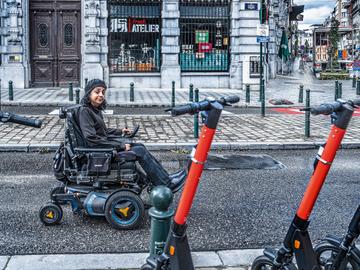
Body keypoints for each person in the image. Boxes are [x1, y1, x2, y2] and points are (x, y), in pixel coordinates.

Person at [78, 79, 186, 192]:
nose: (101, 95)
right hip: (100, 153)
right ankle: (166, 183)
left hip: (104, 149)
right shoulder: (85, 112)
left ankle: (165, 179)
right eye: (97, 91)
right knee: (140, 151)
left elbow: (102, 132)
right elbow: (92, 139)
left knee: (140, 146)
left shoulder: (94, 109)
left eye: (103, 92)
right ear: (89, 93)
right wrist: (120, 146)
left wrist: (121, 131)